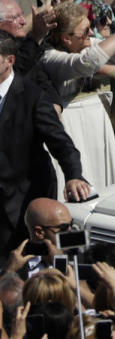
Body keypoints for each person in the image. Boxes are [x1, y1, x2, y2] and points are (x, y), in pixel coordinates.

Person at [0, 33, 89, 255]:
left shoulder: (32, 96)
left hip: (23, 200)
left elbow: (60, 141)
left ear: (9, 61)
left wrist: (74, 175)